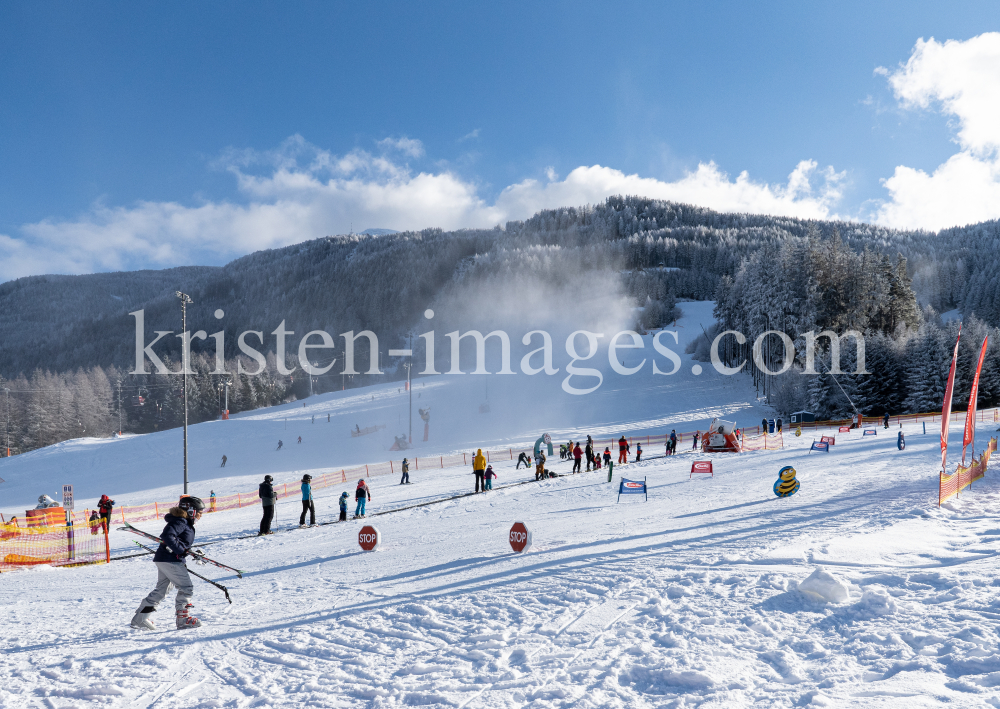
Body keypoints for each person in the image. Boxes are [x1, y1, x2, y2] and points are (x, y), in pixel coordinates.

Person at [130, 495, 205, 631]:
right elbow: (167, 536)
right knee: (186, 587)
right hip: (171, 560)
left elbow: (178, 542)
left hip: (165, 559)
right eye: (199, 512)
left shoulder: (183, 522)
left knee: (162, 590)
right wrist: (180, 551)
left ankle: (140, 618)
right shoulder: (181, 522)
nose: (201, 515)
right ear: (191, 511)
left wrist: (190, 552)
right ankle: (183, 619)